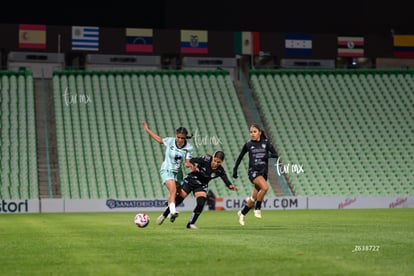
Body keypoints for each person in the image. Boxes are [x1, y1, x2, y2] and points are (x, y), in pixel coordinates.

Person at [157, 151, 238, 229]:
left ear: (222, 162)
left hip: (201, 185)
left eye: (219, 162)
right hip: (191, 180)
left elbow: (225, 179)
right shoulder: (205, 159)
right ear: (213, 157)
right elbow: (191, 160)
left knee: (201, 203)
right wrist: (193, 166)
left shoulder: (220, 170)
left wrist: (230, 186)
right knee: (180, 198)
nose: (216, 163)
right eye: (215, 160)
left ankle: (191, 224)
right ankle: (164, 215)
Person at [142, 121, 195, 223]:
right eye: (178, 137)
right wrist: (147, 130)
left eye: (182, 138)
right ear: (176, 136)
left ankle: (165, 214)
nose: (180, 140)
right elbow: (159, 139)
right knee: (173, 190)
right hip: (167, 169)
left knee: (182, 194)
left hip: (178, 173)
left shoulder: (189, 147)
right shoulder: (170, 141)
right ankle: (173, 211)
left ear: (185, 138)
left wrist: (191, 166)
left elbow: (187, 162)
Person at [232, 124, 279, 226]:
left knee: (253, 197)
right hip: (253, 172)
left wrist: (268, 155)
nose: (252, 134)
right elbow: (240, 157)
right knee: (265, 188)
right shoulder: (248, 144)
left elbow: (276, 154)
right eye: (251, 132)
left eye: (254, 132)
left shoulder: (266, 143)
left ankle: (242, 213)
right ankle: (257, 208)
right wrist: (235, 169)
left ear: (259, 132)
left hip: (263, 173)